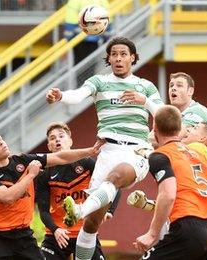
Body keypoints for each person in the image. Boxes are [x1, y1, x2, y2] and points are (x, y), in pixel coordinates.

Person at [46, 36, 164, 260]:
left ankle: (80, 209)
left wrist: (144, 101)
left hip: (136, 150)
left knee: (116, 177)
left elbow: (165, 116)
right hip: (107, 151)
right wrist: (61, 95)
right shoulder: (99, 82)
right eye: (114, 55)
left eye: (123, 54)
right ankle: (84, 219)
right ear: (108, 59)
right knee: (91, 225)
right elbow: (77, 95)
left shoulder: (145, 86)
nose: (118, 58)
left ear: (133, 58)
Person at [0, 129, 103, 259]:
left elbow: (60, 157)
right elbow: (7, 197)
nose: (2, 143)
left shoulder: (22, 160)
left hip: (24, 235)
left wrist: (90, 151)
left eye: (0, 139)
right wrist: (31, 175)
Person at [133, 106, 207, 259]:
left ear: (154, 128)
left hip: (186, 231)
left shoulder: (160, 156)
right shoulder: (199, 156)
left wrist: (152, 234)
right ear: (180, 129)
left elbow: (168, 195)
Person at [35, 122, 106, 260]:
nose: (57, 140)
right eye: (52, 138)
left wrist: (108, 211)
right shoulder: (44, 174)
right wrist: (55, 230)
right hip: (57, 235)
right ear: (49, 146)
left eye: (61, 136)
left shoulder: (87, 163)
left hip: (85, 232)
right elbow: (43, 211)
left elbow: (111, 185)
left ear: (70, 141)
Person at [64, 0, 110, 84]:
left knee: (80, 64)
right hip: (94, 37)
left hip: (79, 36)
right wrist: (107, 32)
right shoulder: (102, 1)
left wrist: (69, 32)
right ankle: (89, 87)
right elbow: (107, 14)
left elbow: (71, 16)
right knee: (91, 64)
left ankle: (82, 86)